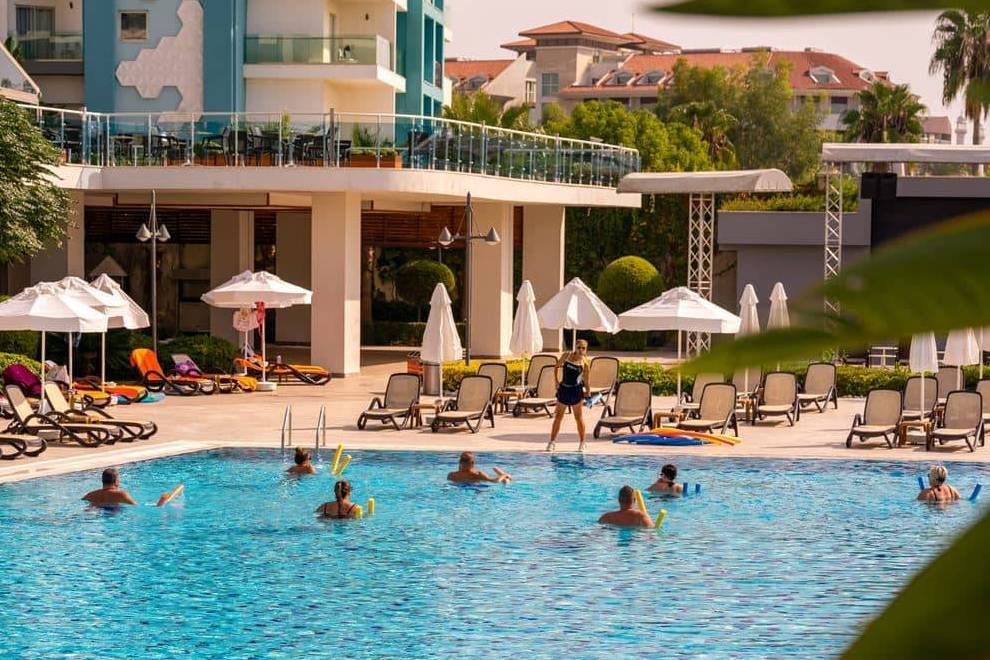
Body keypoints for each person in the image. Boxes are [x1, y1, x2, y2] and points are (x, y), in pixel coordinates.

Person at [546, 339, 592, 453]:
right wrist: (556, 381)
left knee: (578, 418)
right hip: (564, 389)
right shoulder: (566, 356)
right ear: (575, 347)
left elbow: (587, 381)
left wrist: (588, 393)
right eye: (579, 347)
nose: (580, 350)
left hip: (576, 391)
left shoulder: (585, 364)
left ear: (586, 350)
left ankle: (582, 443)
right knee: (558, 417)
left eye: (583, 348)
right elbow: (556, 367)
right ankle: (552, 442)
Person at [447, 451, 511, 484]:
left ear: (460, 462)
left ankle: (502, 473)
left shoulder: (451, 475)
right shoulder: (477, 474)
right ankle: (502, 473)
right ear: (472, 463)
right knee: (507, 479)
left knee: (506, 480)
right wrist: (504, 475)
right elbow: (495, 481)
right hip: (475, 490)